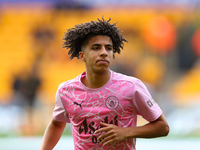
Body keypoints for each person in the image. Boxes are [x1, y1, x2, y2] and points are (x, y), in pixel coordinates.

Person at [40, 17, 169, 150]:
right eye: (96, 48)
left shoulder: (131, 87)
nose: (104, 53)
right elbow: (57, 124)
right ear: (82, 55)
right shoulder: (66, 91)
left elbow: (163, 127)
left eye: (108, 48)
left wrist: (126, 132)